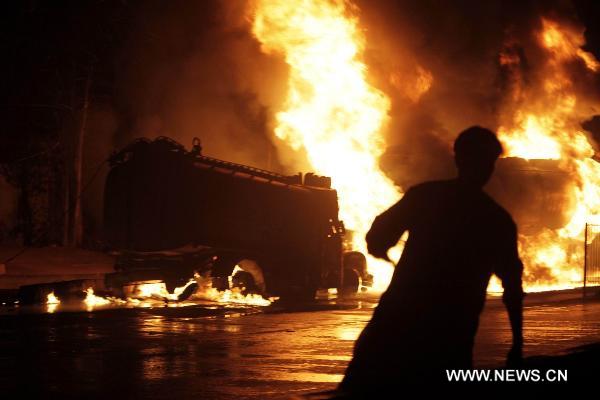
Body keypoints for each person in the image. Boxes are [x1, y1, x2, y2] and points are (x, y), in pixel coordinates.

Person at [339, 126, 524, 390]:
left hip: (396, 325)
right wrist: (517, 344)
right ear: (490, 166)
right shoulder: (497, 219)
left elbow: (378, 235)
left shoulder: (425, 196)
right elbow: (513, 287)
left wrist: (383, 251)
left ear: (457, 158)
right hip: (451, 334)